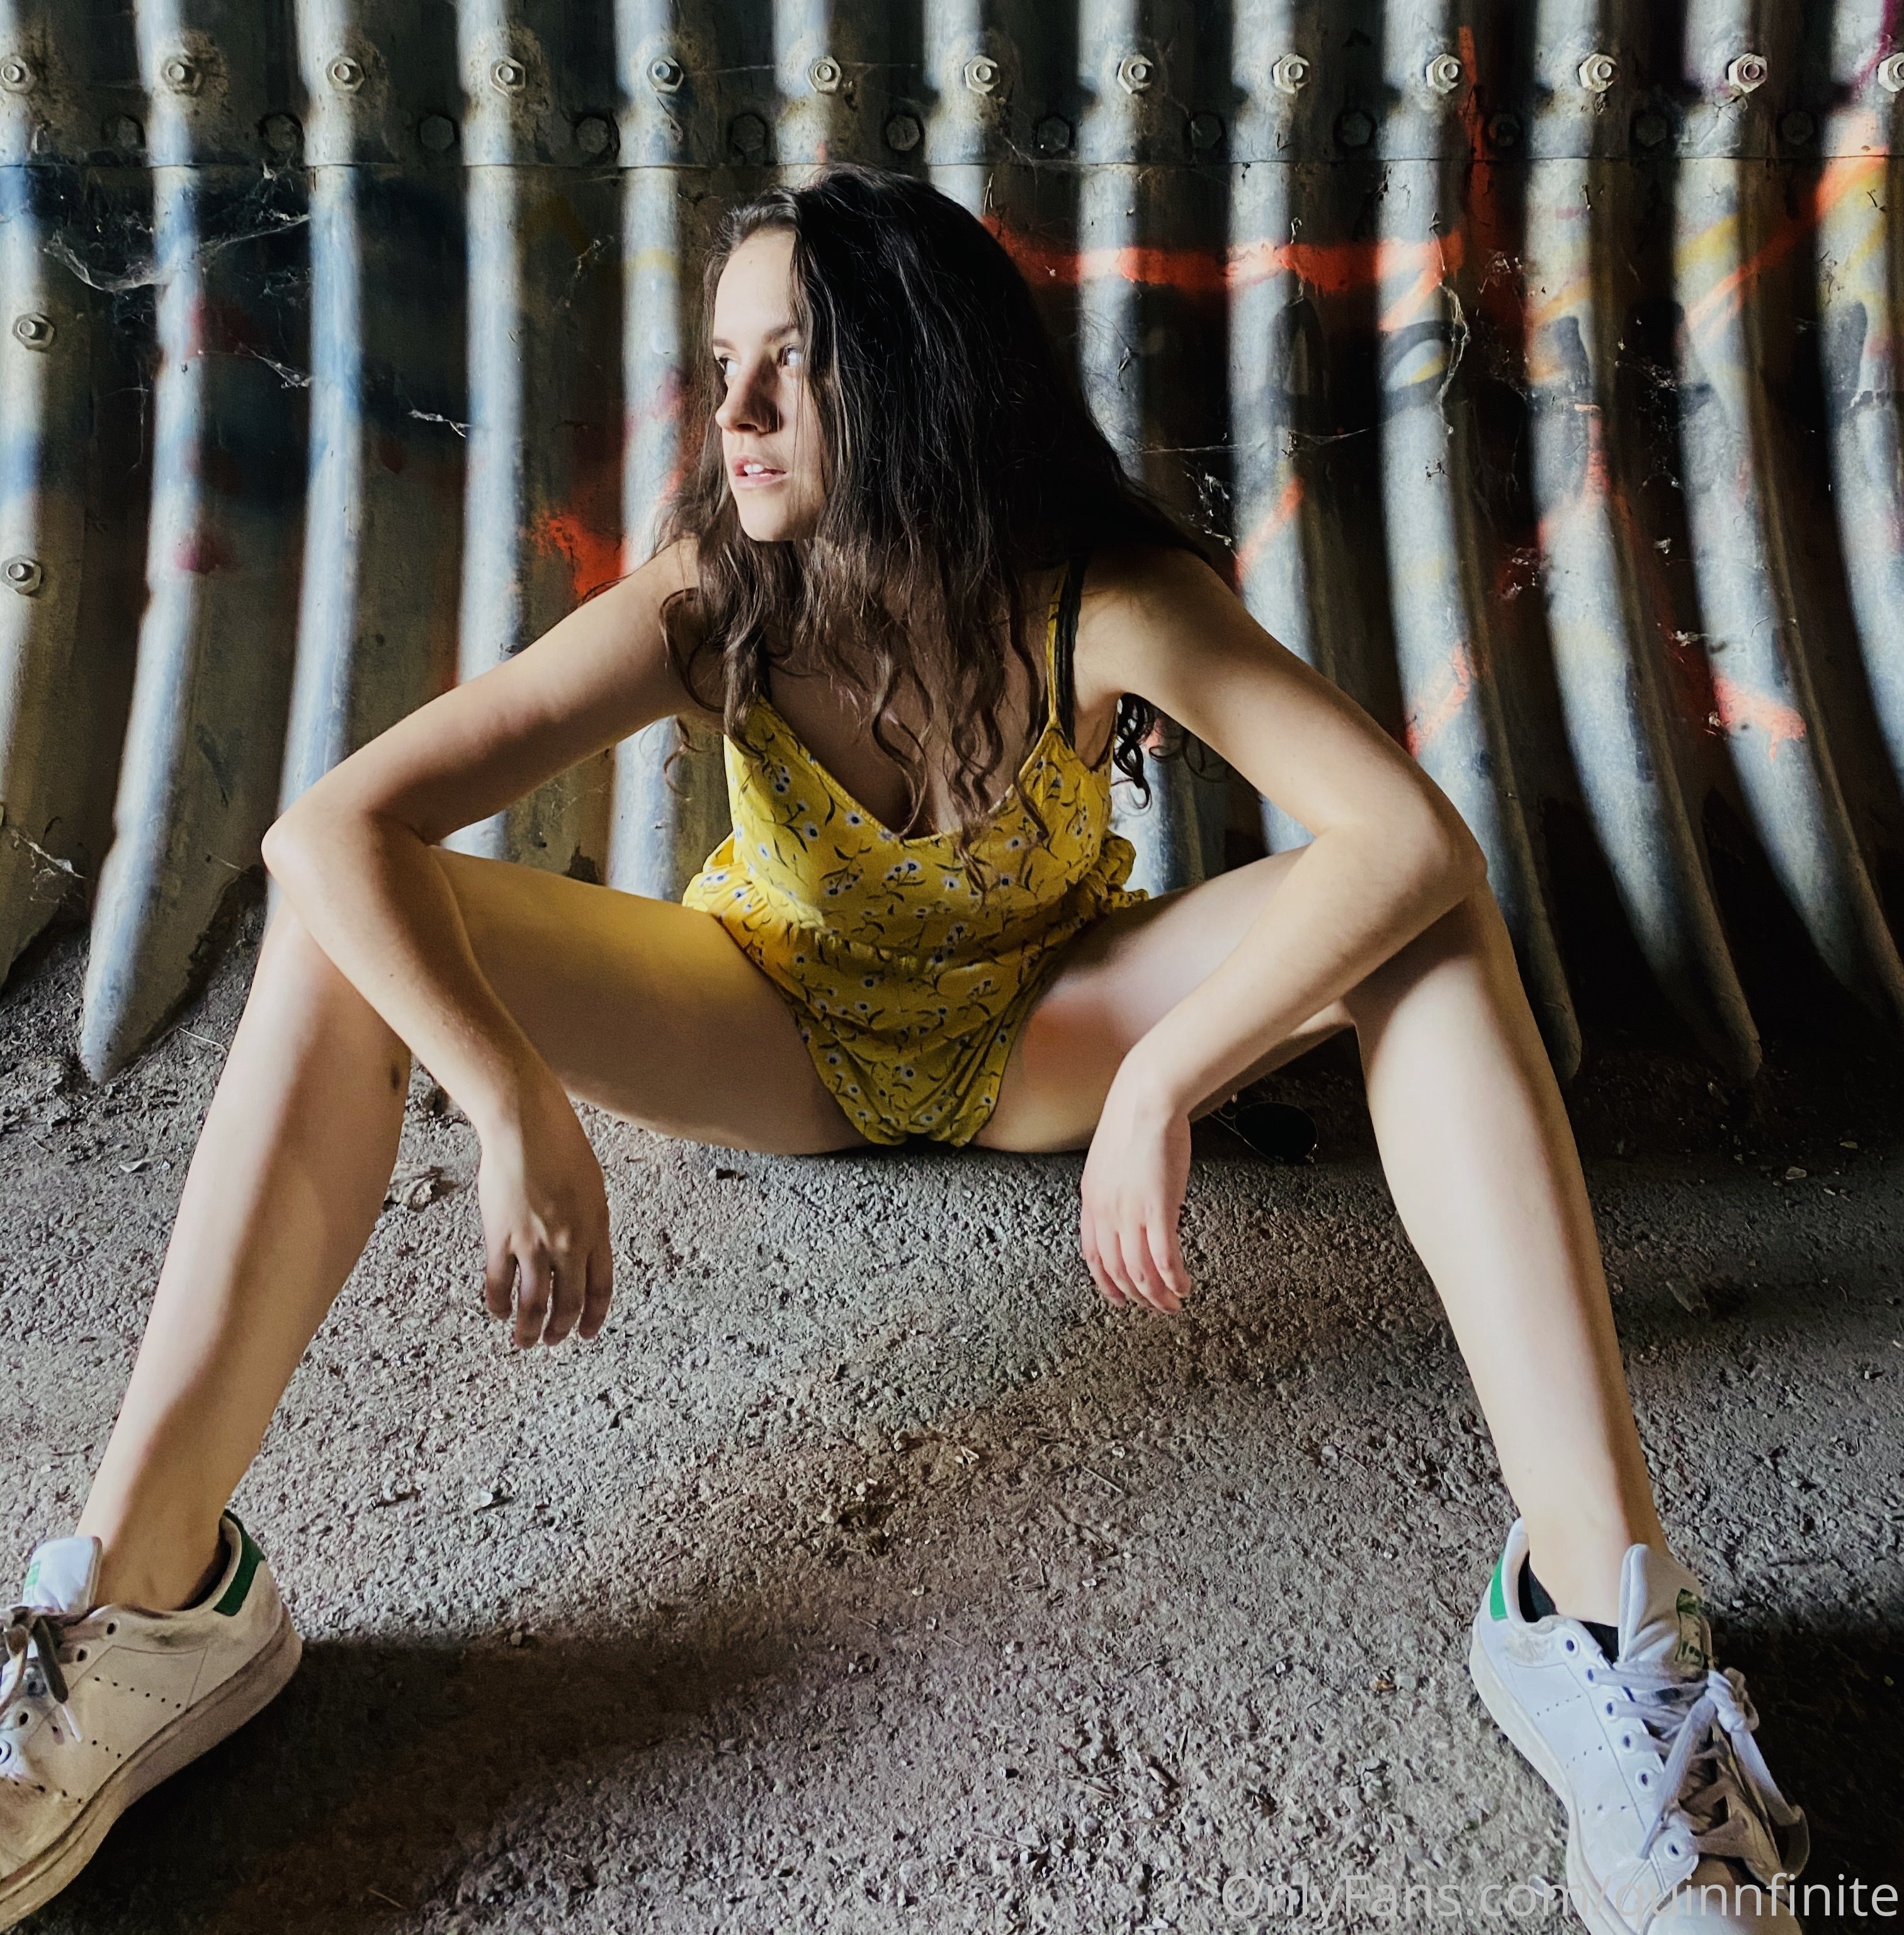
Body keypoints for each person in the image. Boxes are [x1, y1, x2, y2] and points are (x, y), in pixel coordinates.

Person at [1, 169, 1807, 1931]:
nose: (738, 413)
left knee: (1429, 926)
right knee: (337, 927)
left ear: (920, 374)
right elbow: (330, 830)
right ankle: (151, 1595)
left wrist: (1170, 1073)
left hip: (1050, 1028)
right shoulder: (714, 594)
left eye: (793, 364)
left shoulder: (1104, 598)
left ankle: (1596, 1616)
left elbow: (1413, 838)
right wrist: (508, 1097)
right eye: (725, 366)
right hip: (764, 1023)